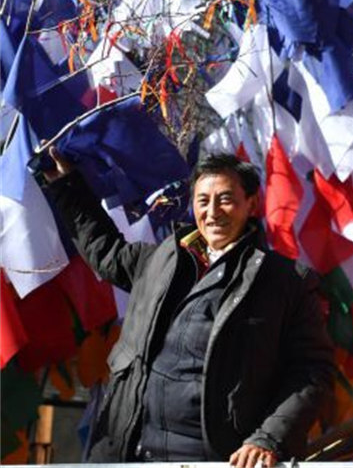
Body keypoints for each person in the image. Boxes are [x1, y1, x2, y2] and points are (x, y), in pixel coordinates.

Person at [43, 151, 335, 467]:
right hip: (126, 449)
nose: (212, 212)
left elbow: (311, 371)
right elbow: (106, 249)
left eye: (225, 199)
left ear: (252, 204)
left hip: (214, 457)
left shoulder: (286, 283)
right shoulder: (161, 260)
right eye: (203, 201)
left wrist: (268, 438)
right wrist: (67, 185)